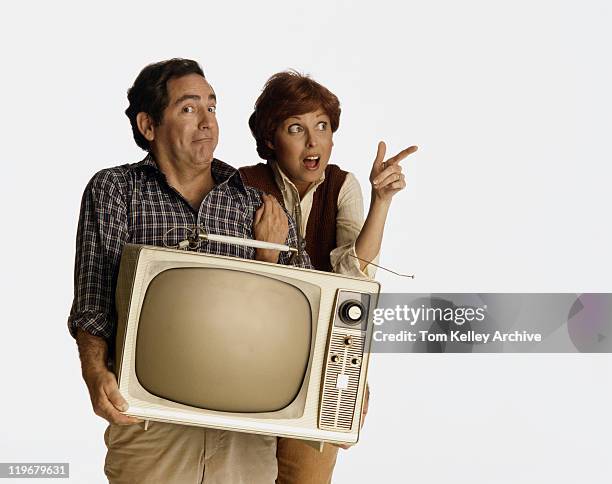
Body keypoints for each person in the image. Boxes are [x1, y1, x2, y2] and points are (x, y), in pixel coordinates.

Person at [68, 58, 311, 484]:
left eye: (212, 108)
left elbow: (311, 309)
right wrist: (94, 373)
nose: (206, 122)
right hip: (149, 423)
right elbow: (94, 299)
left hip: (245, 429)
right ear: (148, 125)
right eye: (189, 108)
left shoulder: (258, 205)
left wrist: (348, 383)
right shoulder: (114, 190)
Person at [240, 71, 417, 484]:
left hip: (320, 365)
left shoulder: (342, 186)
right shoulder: (243, 185)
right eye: (296, 128)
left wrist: (381, 203)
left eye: (322, 126)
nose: (313, 141)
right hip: (251, 360)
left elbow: (352, 281)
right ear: (270, 139)